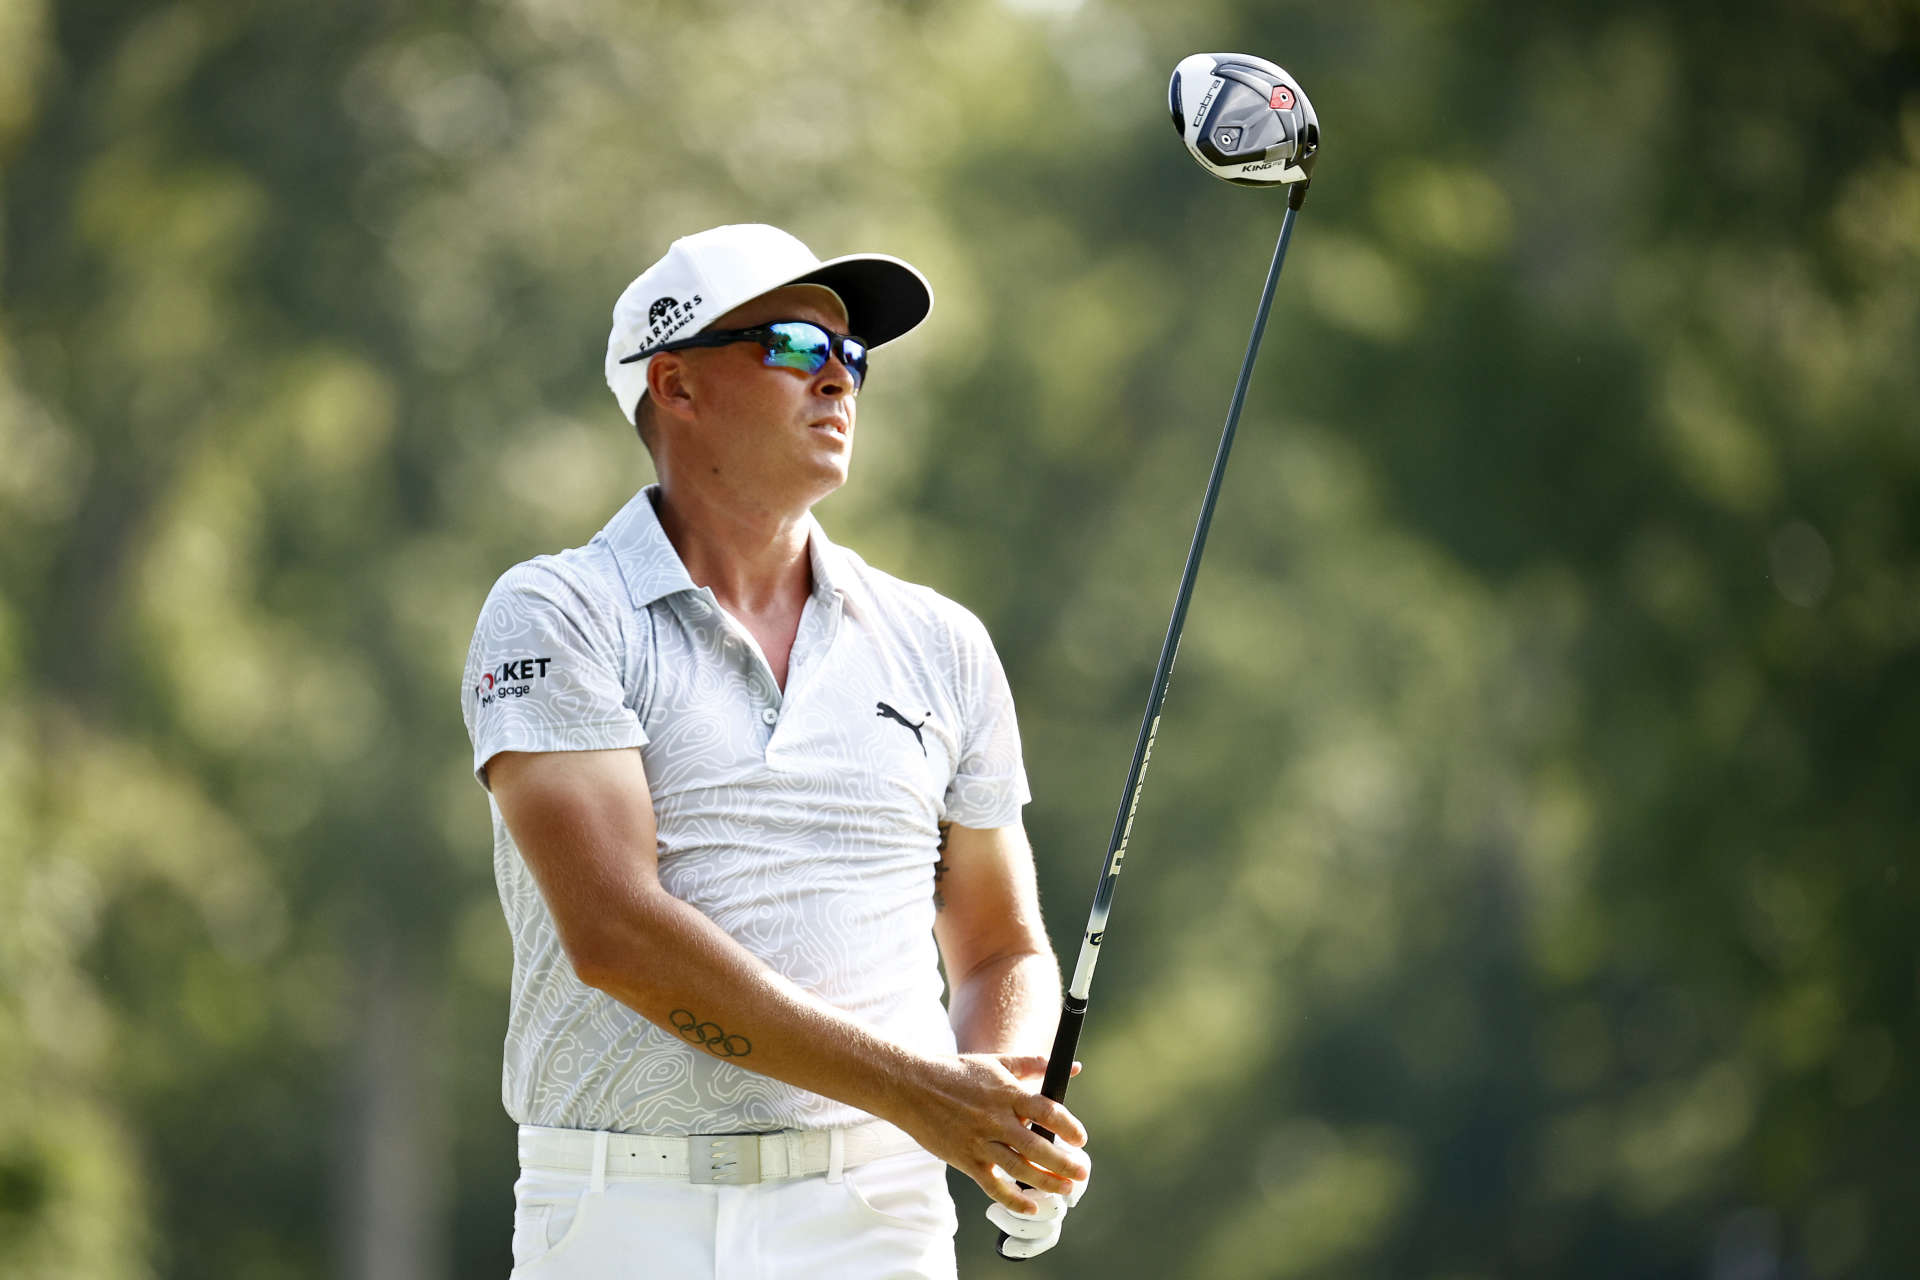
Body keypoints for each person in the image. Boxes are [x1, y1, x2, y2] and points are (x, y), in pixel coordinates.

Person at [461, 223, 1091, 1278]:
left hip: (876, 1214)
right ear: (678, 384)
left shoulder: (940, 642)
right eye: (798, 346)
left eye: (854, 358)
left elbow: (998, 946)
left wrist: (1007, 1099)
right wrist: (928, 1093)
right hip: (625, 1212)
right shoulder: (558, 612)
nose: (838, 380)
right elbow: (617, 932)